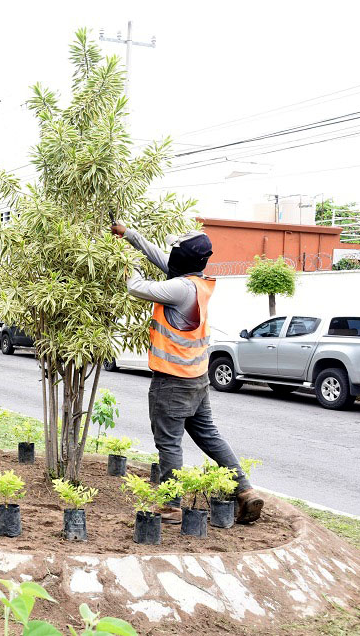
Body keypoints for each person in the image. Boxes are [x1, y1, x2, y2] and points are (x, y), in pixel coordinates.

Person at [111, 222, 263, 525]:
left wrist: (124, 260)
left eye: (175, 250)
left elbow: (135, 287)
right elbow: (160, 258)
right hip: (197, 377)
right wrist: (128, 235)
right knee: (209, 435)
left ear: (183, 257)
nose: (170, 254)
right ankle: (244, 490)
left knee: (169, 443)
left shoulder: (179, 288)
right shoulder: (196, 281)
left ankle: (170, 507)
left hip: (172, 380)